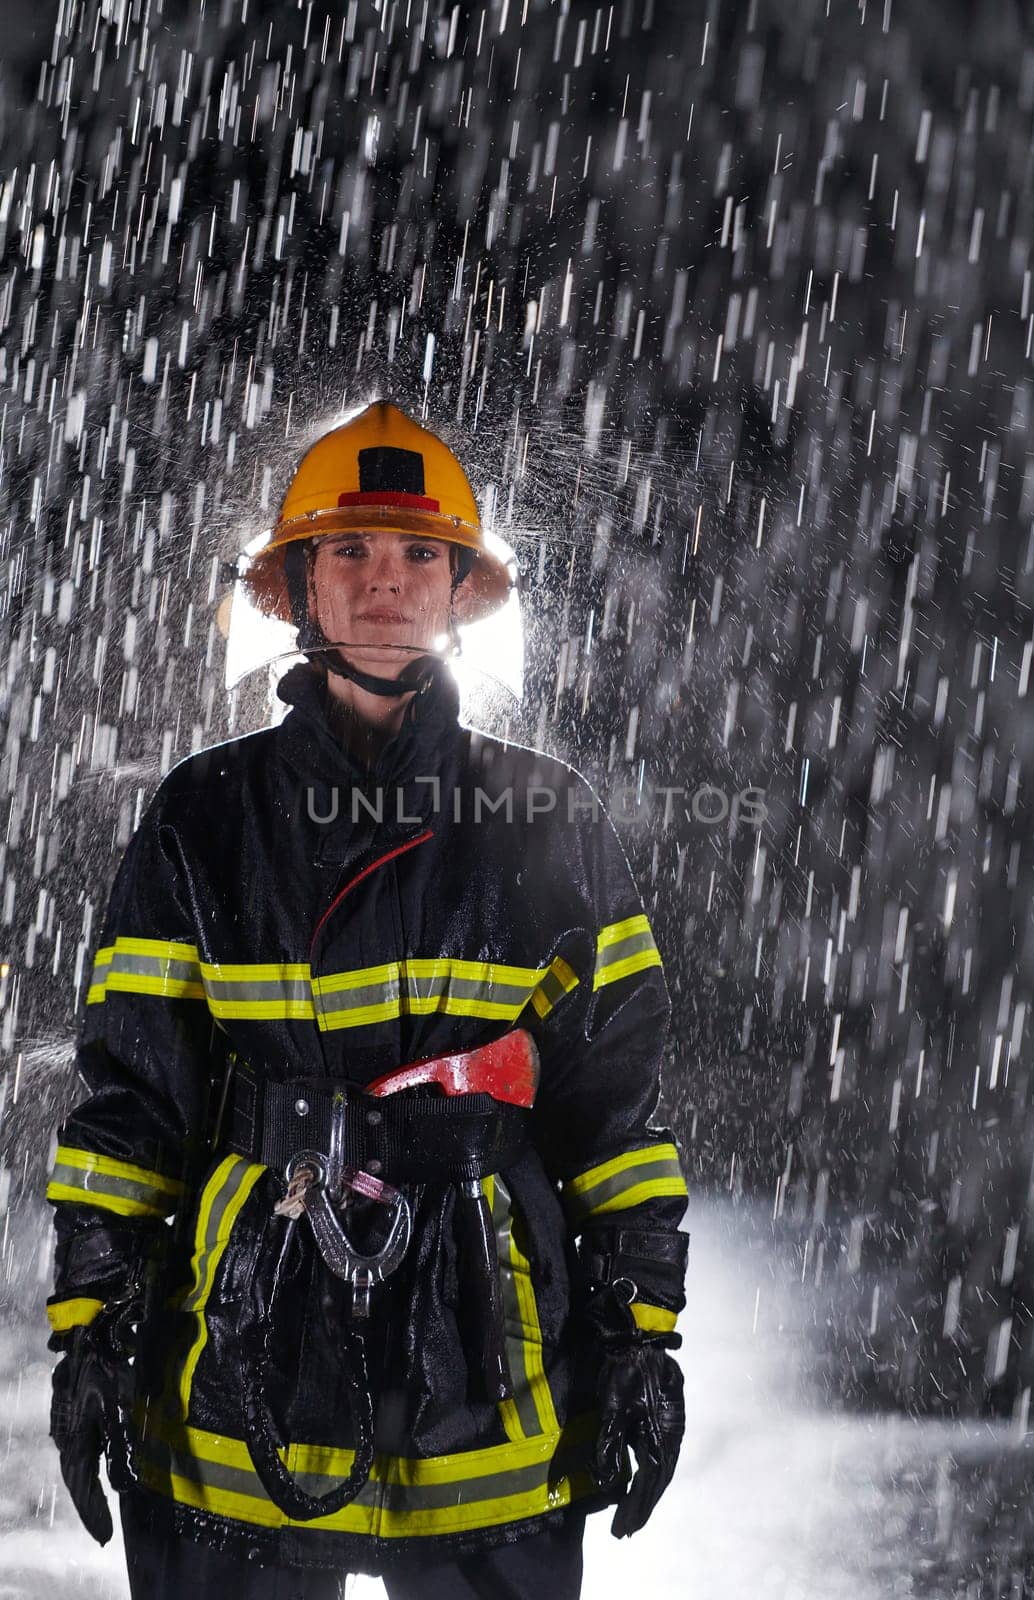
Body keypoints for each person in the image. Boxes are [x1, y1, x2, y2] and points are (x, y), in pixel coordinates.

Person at [44, 401, 689, 1599]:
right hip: (246, 1343)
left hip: (486, 1348)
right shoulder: (206, 817)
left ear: (458, 591)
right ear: (296, 585)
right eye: (348, 550)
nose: (384, 580)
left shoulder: (548, 820)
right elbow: (133, 1101)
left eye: (416, 554)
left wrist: (641, 1331)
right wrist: (92, 1322)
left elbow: (612, 1112)